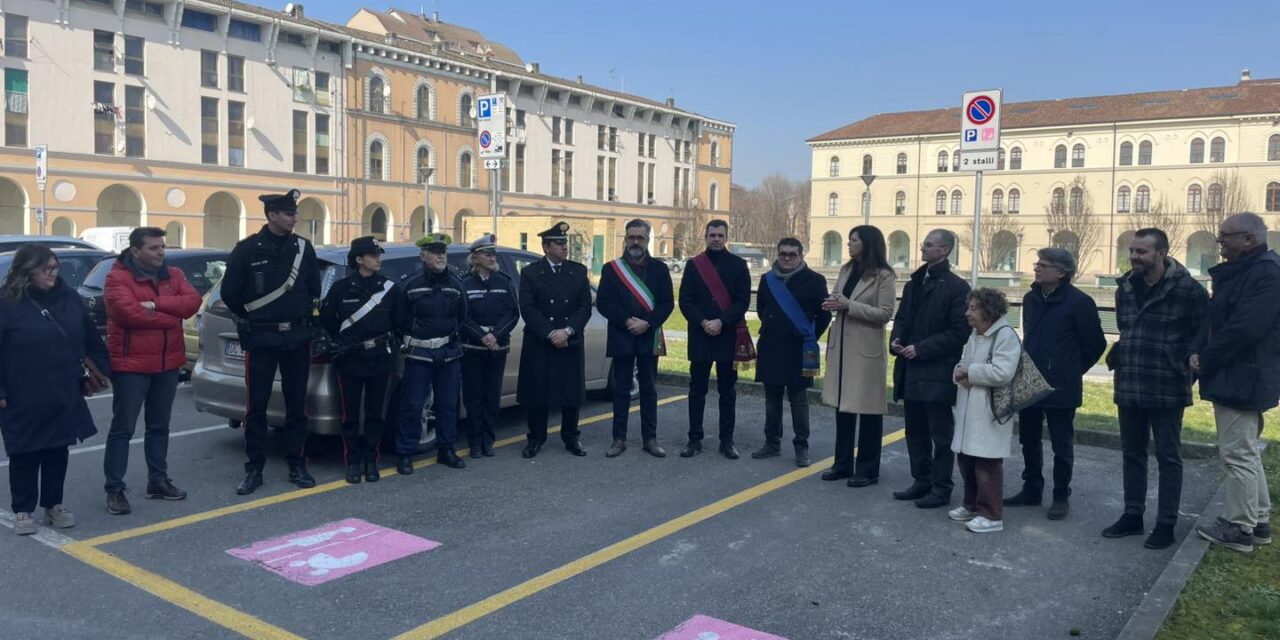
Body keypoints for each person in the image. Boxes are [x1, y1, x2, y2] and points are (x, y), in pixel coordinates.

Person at [1103, 228, 1209, 550]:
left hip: (1168, 386)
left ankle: (1166, 523)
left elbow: (1202, 335)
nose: (1134, 257)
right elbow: (1125, 328)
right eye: (1132, 251)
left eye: (1142, 252)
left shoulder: (1189, 290)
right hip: (1131, 380)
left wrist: (1184, 369)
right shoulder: (1125, 287)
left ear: (1161, 253)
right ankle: (1133, 515)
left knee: (1168, 456)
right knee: (1132, 453)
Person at [0, 245, 110, 535]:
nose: (53, 274)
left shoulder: (68, 298)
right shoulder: (6, 303)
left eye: (55, 268)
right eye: (46, 269)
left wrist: (100, 368)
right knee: (24, 451)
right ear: (27, 271)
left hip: (63, 388)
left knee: (57, 450)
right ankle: (22, 510)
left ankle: (54, 505)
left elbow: (90, 337)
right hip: (20, 391)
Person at [221, 189, 321, 495]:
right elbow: (230, 293)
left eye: (294, 213)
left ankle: (296, 463)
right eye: (289, 213)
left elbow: (313, 290)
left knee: (296, 405)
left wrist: (311, 323)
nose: (294, 218)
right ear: (272, 215)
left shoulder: (303, 248)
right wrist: (251, 319)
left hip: (295, 338)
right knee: (257, 407)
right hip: (262, 337)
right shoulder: (248, 249)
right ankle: (254, 469)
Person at [1190, 213, 1279, 553]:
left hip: (1244, 375)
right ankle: (1257, 521)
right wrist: (1200, 351)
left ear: (1249, 240)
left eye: (1226, 236)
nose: (1220, 242)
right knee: (1247, 452)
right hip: (1240, 373)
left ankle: (1238, 528)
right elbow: (1219, 319)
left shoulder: (1266, 273)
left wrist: (1207, 358)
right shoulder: (1251, 270)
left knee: (1237, 454)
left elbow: (1245, 328)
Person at [102, 227, 202, 515]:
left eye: (162, 247)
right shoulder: (117, 277)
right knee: (123, 429)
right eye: (154, 248)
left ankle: (157, 481)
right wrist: (171, 317)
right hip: (131, 366)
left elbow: (192, 303)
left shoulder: (175, 275)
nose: (161, 252)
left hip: (167, 364)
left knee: (159, 426)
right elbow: (127, 313)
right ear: (136, 251)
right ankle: (115, 488)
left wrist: (155, 305)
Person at [1006, 248, 1106, 520]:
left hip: (1062, 385)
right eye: (1037, 263)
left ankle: (1061, 495)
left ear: (1061, 273)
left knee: (1061, 444)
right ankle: (1032, 488)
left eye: (1043, 265)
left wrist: (1071, 370)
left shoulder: (1079, 302)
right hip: (1030, 382)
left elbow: (1096, 344)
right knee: (1028, 439)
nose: (1036, 268)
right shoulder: (1030, 298)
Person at [890, 229, 970, 509]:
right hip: (910, 370)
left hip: (937, 372)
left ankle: (941, 487)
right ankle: (920, 480)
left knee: (941, 435)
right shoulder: (914, 284)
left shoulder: (957, 288)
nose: (922, 249)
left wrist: (922, 348)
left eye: (929, 245)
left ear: (945, 250)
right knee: (915, 431)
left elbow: (959, 331)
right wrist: (896, 340)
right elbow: (901, 318)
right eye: (924, 244)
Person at [320, 236, 400, 484]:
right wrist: (340, 343)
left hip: (379, 358)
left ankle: (371, 461)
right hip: (350, 359)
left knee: (376, 414)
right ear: (359, 260)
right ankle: (352, 461)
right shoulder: (340, 289)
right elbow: (327, 321)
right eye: (374, 255)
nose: (379, 259)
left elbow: (399, 322)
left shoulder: (390, 289)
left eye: (379, 255)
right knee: (350, 415)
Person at [821, 225, 896, 487]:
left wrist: (848, 305)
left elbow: (885, 313)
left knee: (868, 411)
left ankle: (867, 470)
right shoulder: (846, 269)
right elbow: (840, 298)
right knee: (843, 408)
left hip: (865, 353)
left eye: (854, 240)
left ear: (868, 243)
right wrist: (833, 302)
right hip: (842, 347)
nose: (849, 244)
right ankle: (842, 464)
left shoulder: (883, 276)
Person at [597, 219, 674, 458]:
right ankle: (618, 439)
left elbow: (667, 303)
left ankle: (650, 439)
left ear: (648, 240)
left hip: (648, 336)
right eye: (631, 237)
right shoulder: (611, 269)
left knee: (649, 389)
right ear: (625, 239)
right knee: (621, 390)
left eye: (640, 238)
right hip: (622, 334)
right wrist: (626, 321)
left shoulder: (660, 269)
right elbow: (603, 302)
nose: (635, 242)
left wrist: (648, 323)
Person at [679, 219, 754, 459]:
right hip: (701, 335)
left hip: (727, 335)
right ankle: (694, 439)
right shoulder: (693, 265)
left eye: (720, 235)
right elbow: (685, 301)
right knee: (696, 391)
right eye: (712, 235)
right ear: (706, 236)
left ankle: (727, 441)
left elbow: (743, 301)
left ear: (726, 237)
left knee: (727, 391)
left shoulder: (739, 265)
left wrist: (721, 321)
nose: (716, 239)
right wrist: (703, 322)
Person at [517, 221, 593, 458]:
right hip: (542, 341)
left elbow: (584, 307)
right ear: (546, 247)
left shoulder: (578, 271)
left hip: (569, 340)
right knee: (538, 393)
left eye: (565, 243)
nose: (564, 247)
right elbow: (528, 308)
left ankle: (571, 438)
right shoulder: (530, 273)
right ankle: (535, 438)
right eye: (558, 243)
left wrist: (568, 331)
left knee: (571, 393)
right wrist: (550, 333)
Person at [751, 237, 830, 467]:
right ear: (777, 254)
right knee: (771, 398)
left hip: (798, 349)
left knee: (798, 399)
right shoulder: (767, 279)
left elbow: (824, 315)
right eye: (783, 254)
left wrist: (809, 337)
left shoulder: (815, 280)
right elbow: (762, 310)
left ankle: (801, 446)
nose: (786, 258)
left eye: (792, 255)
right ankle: (772, 442)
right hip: (771, 346)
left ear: (801, 256)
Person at [949, 288, 1020, 533]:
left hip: (988, 411)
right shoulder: (976, 334)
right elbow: (964, 362)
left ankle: (991, 515)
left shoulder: (1004, 335)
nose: (967, 312)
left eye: (973, 308)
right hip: (970, 406)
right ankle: (971, 505)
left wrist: (970, 374)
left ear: (988, 310)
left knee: (987, 462)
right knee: (967, 457)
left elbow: (1003, 372)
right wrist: (961, 371)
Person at [396, 233, 467, 474]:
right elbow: (398, 320)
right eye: (435, 253)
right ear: (423, 255)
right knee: (413, 405)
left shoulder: (456, 285)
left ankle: (446, 449)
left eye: (443, 253)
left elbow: (462, 317)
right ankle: (405, 453)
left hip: (448, 353)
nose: (440, 257)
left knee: (448, 404)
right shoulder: (411, 285)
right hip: (419, 354)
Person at [460, 233, 519, 459]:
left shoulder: (504, 281)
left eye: (493, 253)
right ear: (476, 258)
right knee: (474, 397)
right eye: (488, 253)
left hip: (498, 348)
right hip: (473, 348)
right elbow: (462, 316)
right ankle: (474, 441)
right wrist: (481, 336)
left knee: (491, 396)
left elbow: (512, 313)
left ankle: (488, 440)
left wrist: (495, 335)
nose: (493, 257)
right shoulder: (464, 283)